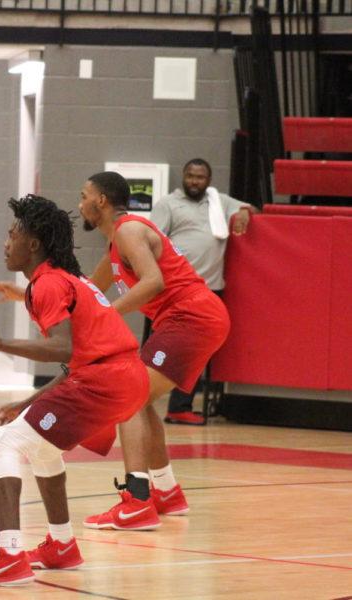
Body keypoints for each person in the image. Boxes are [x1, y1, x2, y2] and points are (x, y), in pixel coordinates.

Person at [0, 195, 148, 586]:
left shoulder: (47, 283)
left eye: (12, 235)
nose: (6, 243)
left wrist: (1, 345)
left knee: (5, 444)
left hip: (105, 379)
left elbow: (64, 349)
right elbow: (76, 358)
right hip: (124, 377)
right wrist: (29, 401)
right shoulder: (68, 280)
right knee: (42, 448)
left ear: (33, 244)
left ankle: (9, 555)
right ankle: (61, 545)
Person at [78, 171, 230, 530]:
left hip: (191, 315)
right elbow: (85, 293)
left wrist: (108, 316)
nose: (79, 203)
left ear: (100, 201)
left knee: (126, 393)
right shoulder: (116, 243)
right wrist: (29, 294)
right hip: (188, 318)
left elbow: (153, 282)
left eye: (83, 195)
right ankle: (165, 492)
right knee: (139, 399)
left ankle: (137, 501)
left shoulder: (130, 230)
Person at [150, 158, 255, 425]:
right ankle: (144, 399)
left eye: (200, 177)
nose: (194, 181)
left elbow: (251, 207)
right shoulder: (168, 204)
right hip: (176, 291)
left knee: (197, 351)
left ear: (208, 180)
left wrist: (244, 212)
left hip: (209, 290)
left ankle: (179, 407)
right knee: (167, 349)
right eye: (190, 176)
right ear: (183, 177)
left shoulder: (217, 201)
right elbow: (152, 242)